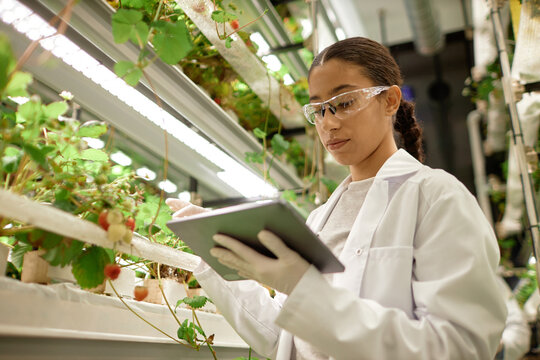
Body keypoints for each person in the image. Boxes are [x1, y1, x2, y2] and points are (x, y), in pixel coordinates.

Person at [166, 37, 507, 359]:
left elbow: (460, 348)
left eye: (343, 103)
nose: (328, 123)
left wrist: (304, 290)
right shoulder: (319, 219)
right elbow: (282, 340)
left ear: (389, 100)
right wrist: (212, 252)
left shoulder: (435, 197)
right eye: (317, 110)